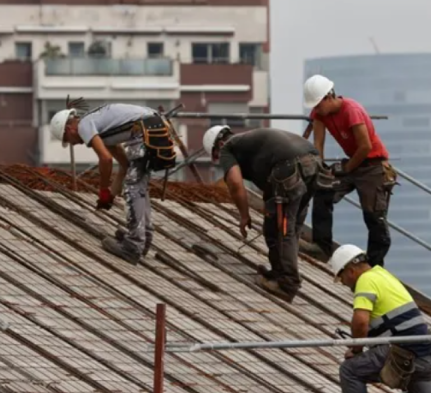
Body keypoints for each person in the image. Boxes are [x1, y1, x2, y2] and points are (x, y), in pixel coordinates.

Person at [329, 244, 431, 393]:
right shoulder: (383, 275)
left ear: (351, 270)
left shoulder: (366, 280)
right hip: (425, 356)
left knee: (350, 370)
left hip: (401, 354)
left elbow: (360, 322)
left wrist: (356, 349)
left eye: (342, 277)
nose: (344, 283)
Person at [202, 125, 321, 302]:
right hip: (314, 164)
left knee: (282, 229)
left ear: (218, 144)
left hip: (289, 168)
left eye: (216, 156)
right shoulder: (248, 140)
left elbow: (235, 184)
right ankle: (279, 272)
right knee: (287, 227)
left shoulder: (228, 147)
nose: (220, 161)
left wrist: (244, 215)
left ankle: (288, 284)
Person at [50, 103, 177, 264]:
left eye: (68, 140)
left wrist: (103, 190)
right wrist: (110, 195)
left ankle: (133, 245)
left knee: (133, 188)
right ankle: (143, 237)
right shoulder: (104, 130)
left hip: (146, 132)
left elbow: (105, 159)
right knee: (137, 186)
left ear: (69, 129)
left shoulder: (84, 125)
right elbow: (124, 166)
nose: (74, 144)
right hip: (155, 129)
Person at [304, 74, 396, 267]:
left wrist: (347, 168)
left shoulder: (351, 111)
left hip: (373, 166)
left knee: (374, 217)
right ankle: (322, 245)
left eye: (318, 105)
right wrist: (320, 168)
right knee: (323, 191)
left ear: (329, 97)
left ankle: (374, 266)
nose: (316, 110)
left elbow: (365, 146)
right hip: (353, 164)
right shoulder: (320, 113)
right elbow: (318, 142)